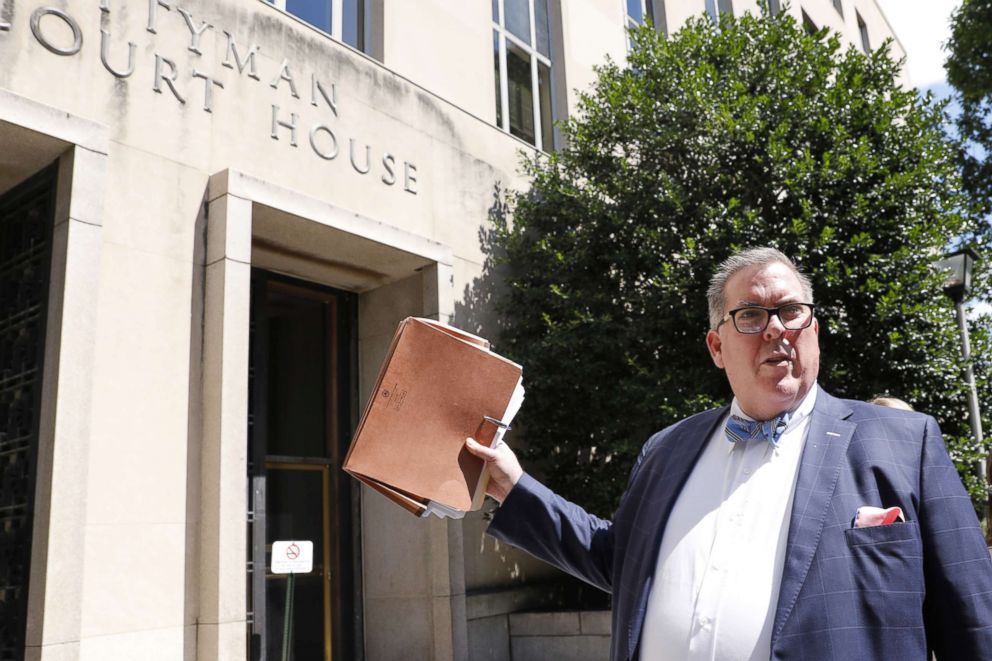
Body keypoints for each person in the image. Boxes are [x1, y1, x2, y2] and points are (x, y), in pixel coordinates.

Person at [465, 247, 992, 661]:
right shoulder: (667, 449)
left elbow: (973, 623)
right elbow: (618, 560)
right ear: (717, 347)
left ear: (814, 330)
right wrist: (514, 485)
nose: (776, 328)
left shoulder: (904, 442)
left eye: (791, 311)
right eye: (751, 315)